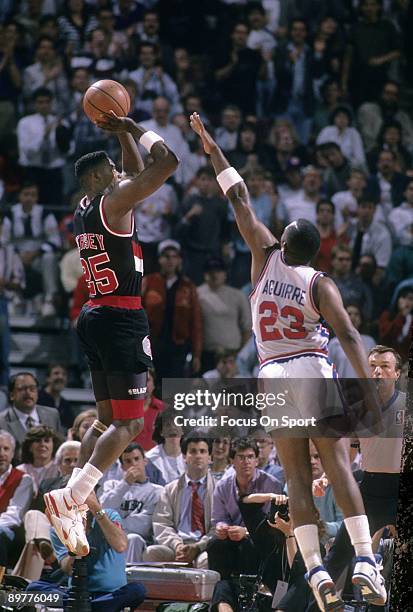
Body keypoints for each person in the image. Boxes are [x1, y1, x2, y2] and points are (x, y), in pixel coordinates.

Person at [190, 112, 386, 610]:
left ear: (284, 240)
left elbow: (237, 197)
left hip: (271, 373)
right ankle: (365, 558)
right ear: (316, 250)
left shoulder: (263, 255)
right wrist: (367, 392)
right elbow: (347, 336)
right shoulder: (321, 283)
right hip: (308, 364)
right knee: (338, 464)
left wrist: (213, 149)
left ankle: (316, 568)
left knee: (296, 477)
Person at [43, 111, 178, 557]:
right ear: (102, 177)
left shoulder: (88, 207)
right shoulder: (114, 200)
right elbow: (167, 162)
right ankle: (73, 496)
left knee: (103, 418)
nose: (122, 173)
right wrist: (137, 127)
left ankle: (73, 504)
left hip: (94, 314)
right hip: (121, 318)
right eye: (115, 171)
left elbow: (135, 173)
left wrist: (121, 136)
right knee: (130, 422)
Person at [27, 490, 146, 612]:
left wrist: (97, 509)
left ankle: (83, 608)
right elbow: (68, 569)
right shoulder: (59, 528)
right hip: (76, 594)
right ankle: (90, 608)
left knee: (137, 590)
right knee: (33, 588)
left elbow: (120, 546)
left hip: (110, 594)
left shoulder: (109, 516)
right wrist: (77, 538)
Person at [144, 434, 215, 567]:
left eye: (203, 451)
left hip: (203, 547)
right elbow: (161, 523)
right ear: (184, 457)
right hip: (176, 546)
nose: (198, 456)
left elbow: (218, 526)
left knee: (206, 560)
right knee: (151, 553)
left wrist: (198, 546)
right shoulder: (170, 489)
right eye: (193, 451)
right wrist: (177, 545)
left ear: (210, 458)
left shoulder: (218, 489)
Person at [99, 442, 163, 563]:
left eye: (137, 459)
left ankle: (128, 578)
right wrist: (125, 484)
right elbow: (103, 510)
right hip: (111, 538)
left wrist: (113, 524)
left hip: (140, 541)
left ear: (145, 461)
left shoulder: (157, 491)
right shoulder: (111, 485)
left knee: (133, 538)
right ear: (122, 467)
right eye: (128, 461)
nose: (134, 464)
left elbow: (144, 525)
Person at [0, 372, 63, 451]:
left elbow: (59, 448)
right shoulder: (2, 422)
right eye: (22, 389)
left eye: (32, 389)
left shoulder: (52, 415)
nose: (28, 393)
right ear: (12, 395)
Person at [0, 429, 33, 569]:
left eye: (6, 449)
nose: (1, 454)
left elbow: (14, 516)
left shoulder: (23, 479)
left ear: (12, 453)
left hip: (8, 530)